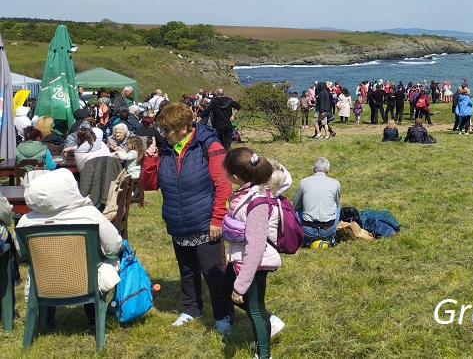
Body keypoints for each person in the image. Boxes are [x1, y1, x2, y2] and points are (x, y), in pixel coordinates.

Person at [140, 102, 233, 332]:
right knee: (187, 270)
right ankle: (191, 308)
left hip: (205, 221)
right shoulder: (166, 150)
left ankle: (224, 315)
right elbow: (150, 185)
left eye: (168, 130)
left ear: (184, 128)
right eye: (163, 131)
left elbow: (223, 184)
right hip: (178, 222)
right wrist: (150, 159)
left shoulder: (208, 145)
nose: (164, 135)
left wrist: (217, 219)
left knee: (214, 272)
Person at [15, 169, 122, 327]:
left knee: (48, 266)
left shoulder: (25, 221)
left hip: (45, 282)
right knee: (101, 259)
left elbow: (21, 252)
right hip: (86, 281)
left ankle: (46, 320)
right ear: (70, 188)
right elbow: (114, 246)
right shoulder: (89, 215)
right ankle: (95, 316)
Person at [221, 148, 287, 359]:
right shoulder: (246, 192)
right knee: (225, 291)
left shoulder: (256, 202)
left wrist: (241, 286)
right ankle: (269, 322)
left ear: (235, 176)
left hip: (255, 263)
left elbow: (256, 247)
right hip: (240, 258)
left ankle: (263, 354)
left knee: (256, 309)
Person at [293, 157, 341, 245]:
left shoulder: (303, 182)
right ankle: (332, 239)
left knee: (296, 210)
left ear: (313, 169)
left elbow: (296, 205)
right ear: (328, 170)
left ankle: (302, 239)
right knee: (337, 207)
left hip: (307, 230)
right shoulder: (336, 183)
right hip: (328, 230)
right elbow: (336, 203)